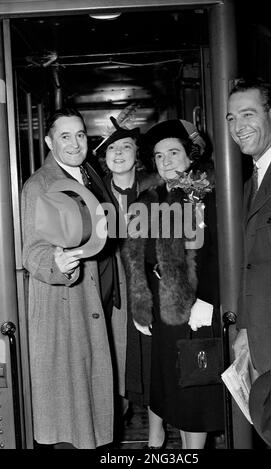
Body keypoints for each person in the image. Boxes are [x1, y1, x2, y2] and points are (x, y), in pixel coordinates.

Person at [21, 107, 126, 449]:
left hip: (99, 298)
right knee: (73, 416)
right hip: (67, 306)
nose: (75, 142)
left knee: (93, 407)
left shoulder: (89, 173)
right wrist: (58, 264)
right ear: (50, 141)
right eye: (65, 136)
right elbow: (32, 252)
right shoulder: (40, 185)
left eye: (80, 134)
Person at [120, 119, 224, 449]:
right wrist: (141, 303)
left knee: (194, 388)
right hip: (162, 305)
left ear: (189, 157)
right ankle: (167, 445)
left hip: (195, 306)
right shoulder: (152, 196)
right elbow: (139, 255)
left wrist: (206, 299)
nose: (166, 161)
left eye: (174, 153)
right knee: (170, 387)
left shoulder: (203, 195)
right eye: (160, 155)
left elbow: (218, 252)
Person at [226, 78, 271, 382]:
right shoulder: (252, 182)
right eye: (232, 118)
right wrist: (245, 326)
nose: (238, 126)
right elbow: (252, 262)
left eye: (248, 114)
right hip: (261, 340)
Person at [97, 117, 163, 447]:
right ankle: (115, 431)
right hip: (110, 291)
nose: (119, 152)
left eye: (125, 147)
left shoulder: (156, 188)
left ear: (137, 154)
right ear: (104, 157)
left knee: (152, 363)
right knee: (115, 361)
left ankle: (156, 434)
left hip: (149, 288)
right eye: (112, 148)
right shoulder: (93, 191)